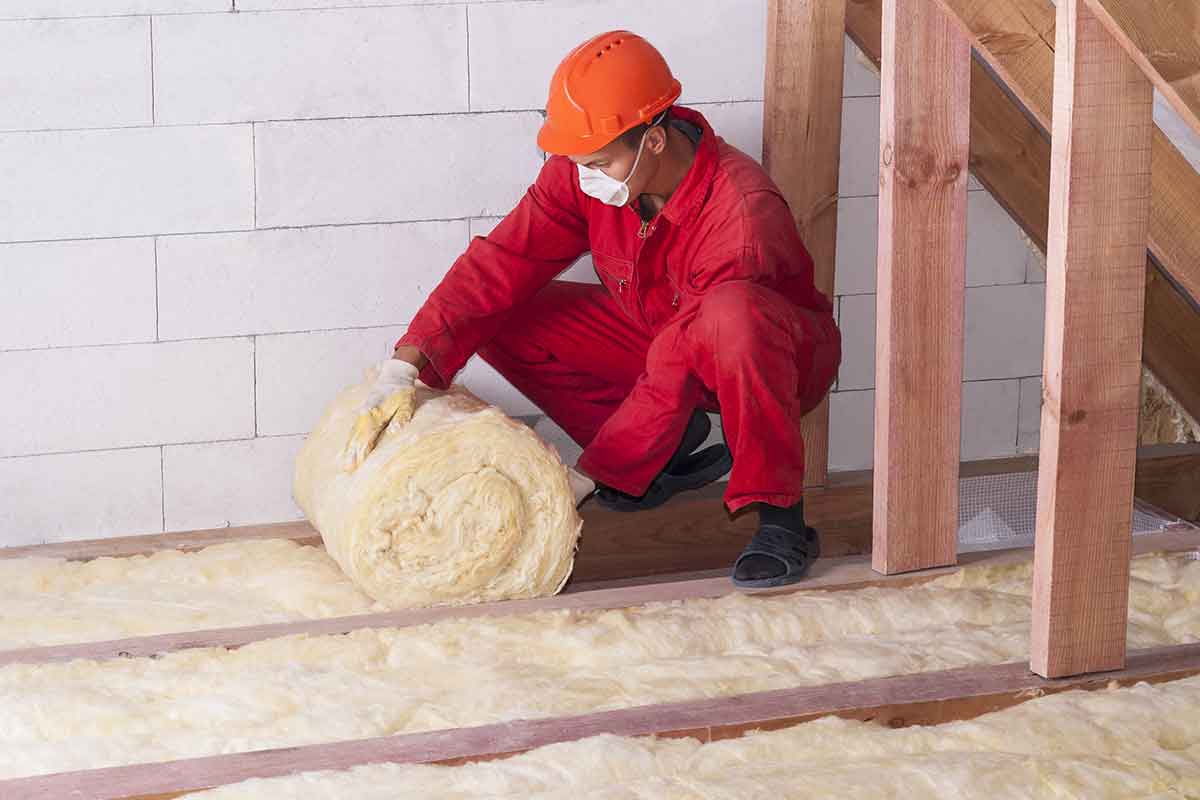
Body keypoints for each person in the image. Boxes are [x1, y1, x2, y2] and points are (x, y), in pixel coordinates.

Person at [343, 30, 841, 589]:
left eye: (599, 162)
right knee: (506, 313)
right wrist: (404, 367)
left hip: (763, 356)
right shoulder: (589, 173)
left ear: (653, 141)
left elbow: (684, 356)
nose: (584, 177)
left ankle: (783, 521)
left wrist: (590, 474)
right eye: (577, 161)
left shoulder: (742, 217)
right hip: (659, 331)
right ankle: (664, 452)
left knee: (734, 319)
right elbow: (504, 260)